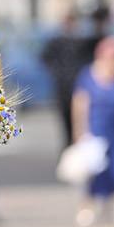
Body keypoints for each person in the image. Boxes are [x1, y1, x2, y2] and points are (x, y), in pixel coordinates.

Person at [71, 37, 114, 227]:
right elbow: (80, 103)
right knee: (93, 171)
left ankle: (108, 208)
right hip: (95, 129)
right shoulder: (88, 75)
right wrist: (80, 131)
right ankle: (86, 206)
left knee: (113, 170)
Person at [41, 13, 88, 149]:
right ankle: (68, 147)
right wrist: (56, 71)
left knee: (78, 120)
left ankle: (75, 147)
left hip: (77, 87)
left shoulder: (80, 42)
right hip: (63, 87)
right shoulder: (57, 42)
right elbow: (45, 58)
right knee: (65, 120)